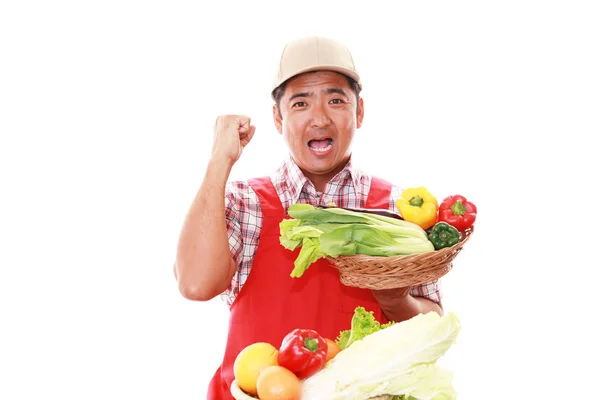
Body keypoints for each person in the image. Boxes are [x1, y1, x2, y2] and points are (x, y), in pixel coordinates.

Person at [174, 36, 443, 399]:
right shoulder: (243, 203)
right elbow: (194, 285)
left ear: (359, 112)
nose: (319, 118)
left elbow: (433, 332)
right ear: (277, 117)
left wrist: (396, 300)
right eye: (300, 103)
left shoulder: (400, 209)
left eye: (336, 100)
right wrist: (219, 161)